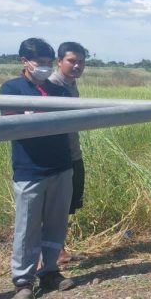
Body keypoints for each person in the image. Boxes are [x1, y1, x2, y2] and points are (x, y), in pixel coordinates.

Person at [0, 37, 76, 299]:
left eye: (48, 62)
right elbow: (10, 123)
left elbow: (70, 122)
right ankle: (23, 281)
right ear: (24, 61)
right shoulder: (12, 88)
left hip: (60, 165)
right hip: (30, 168)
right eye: (39, 62)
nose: (44, 67)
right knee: (27, 227)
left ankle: (50, 271)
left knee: (56, 223)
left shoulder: (58, 89)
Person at [47, 41, 88, 264]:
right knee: (56, 205)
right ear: (59, 61)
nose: (77, 66)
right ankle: (52, 253)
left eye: (81, 62)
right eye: (72, 61)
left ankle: (59, 249)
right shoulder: (52, 85)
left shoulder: (71, 85)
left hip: (73, 152)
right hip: (57, 155)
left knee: (68, 204)